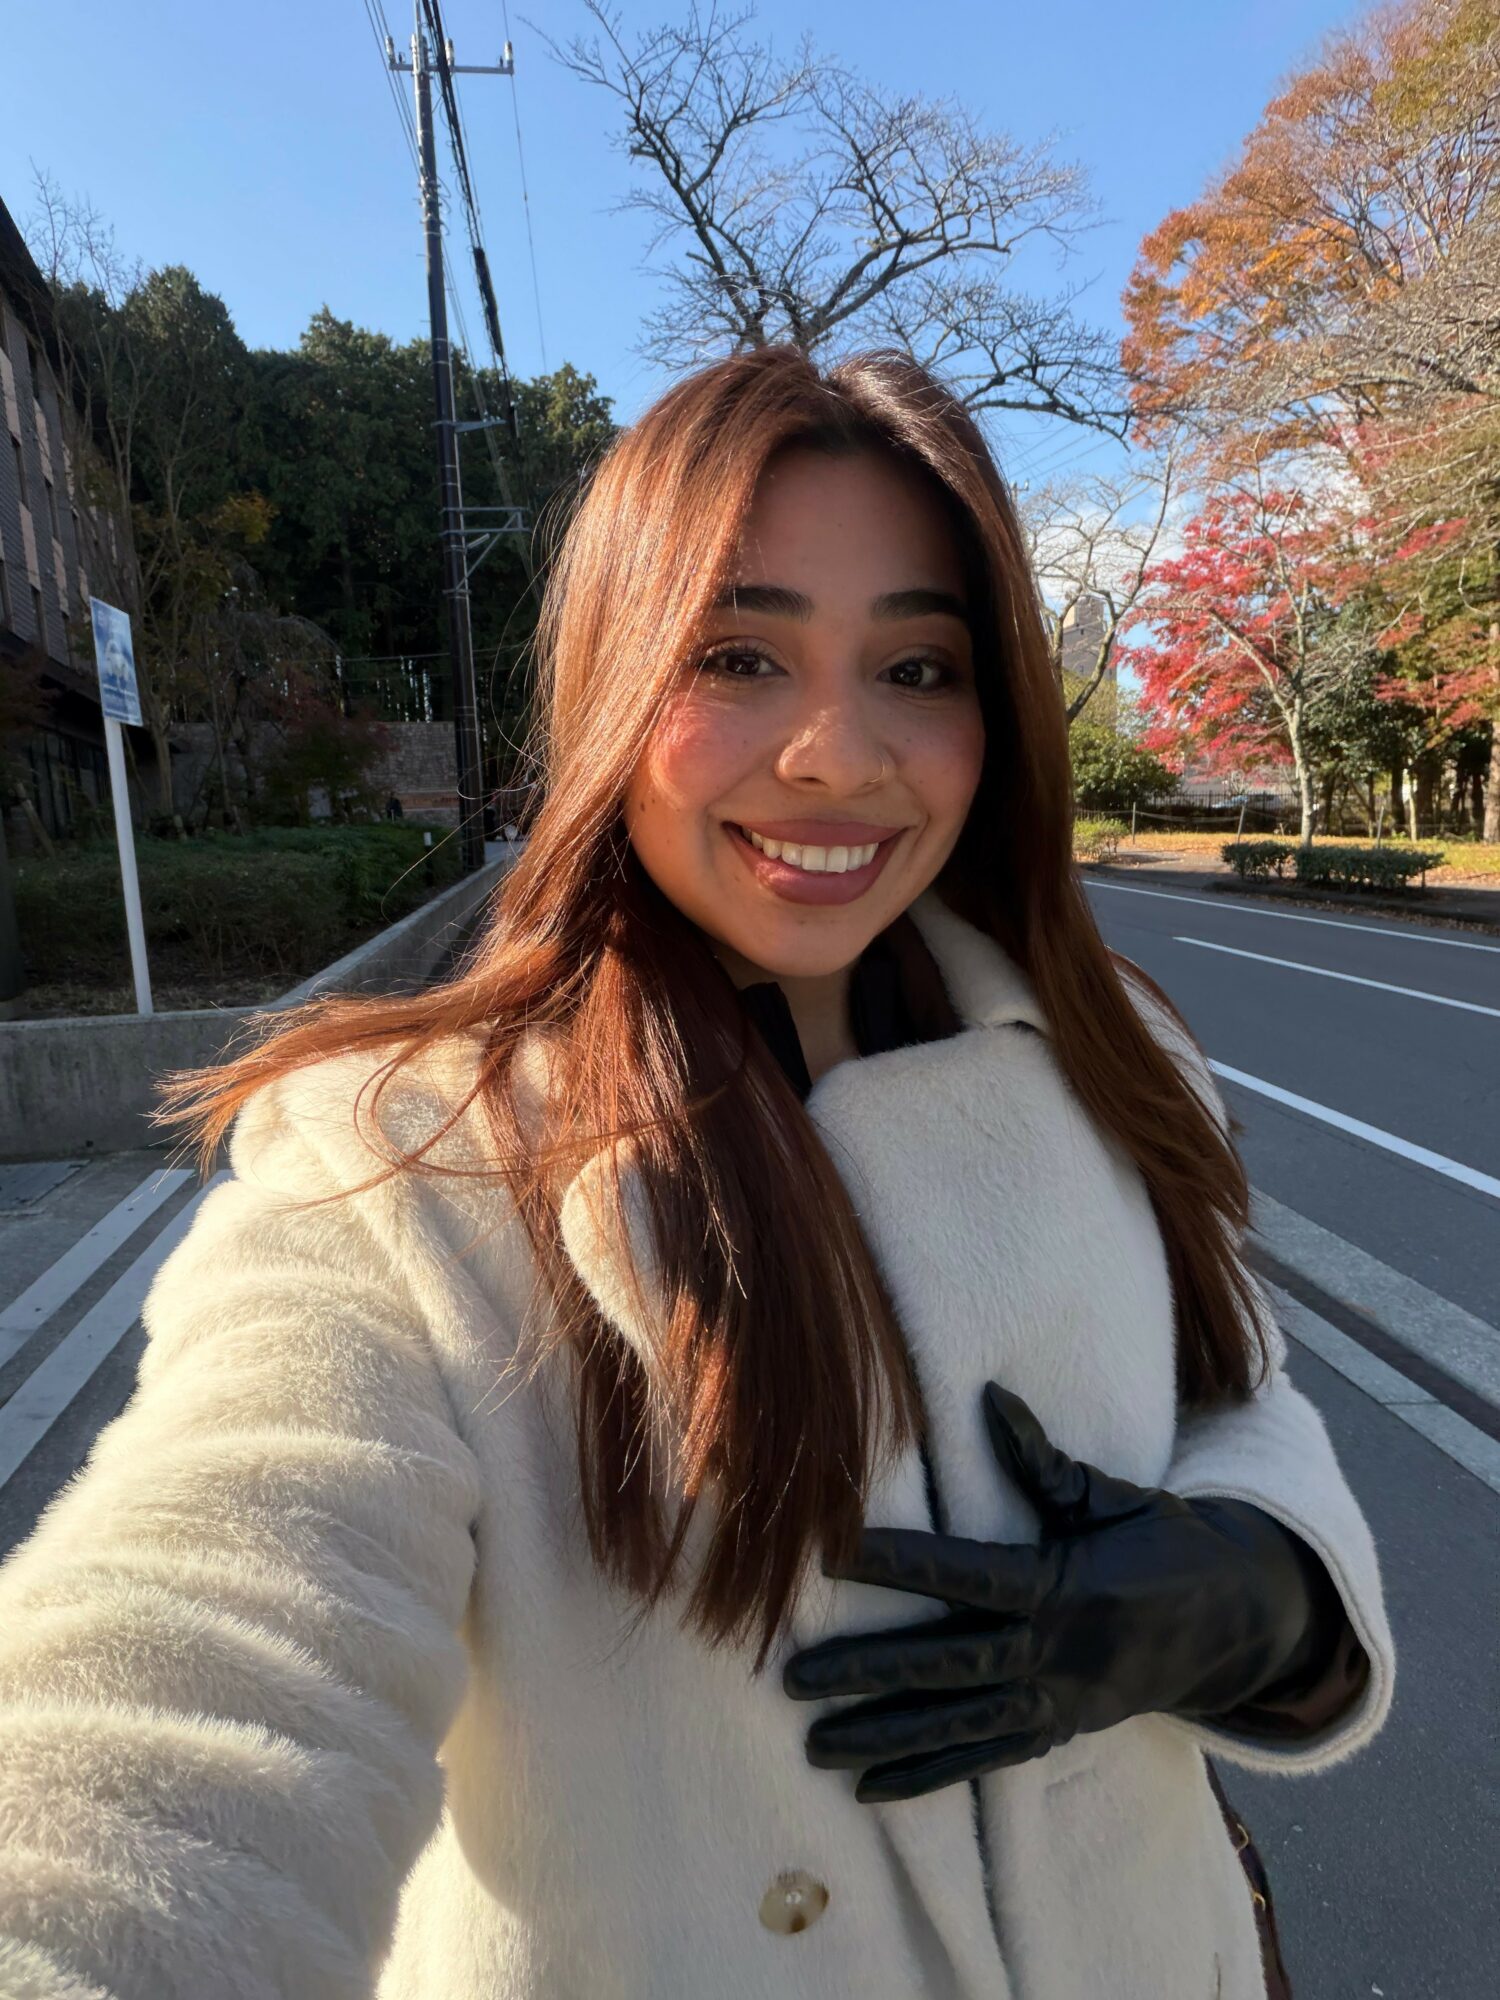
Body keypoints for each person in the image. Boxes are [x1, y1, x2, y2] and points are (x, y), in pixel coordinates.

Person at [0, 347, 1392, 2000]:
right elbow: (194, 1661)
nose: (834, 752)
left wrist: (1260, 1593)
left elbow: (1247, 1390)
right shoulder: (408, 1160)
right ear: (612, 676)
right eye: (739, 653)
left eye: (919, 668)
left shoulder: (1113, 1057)